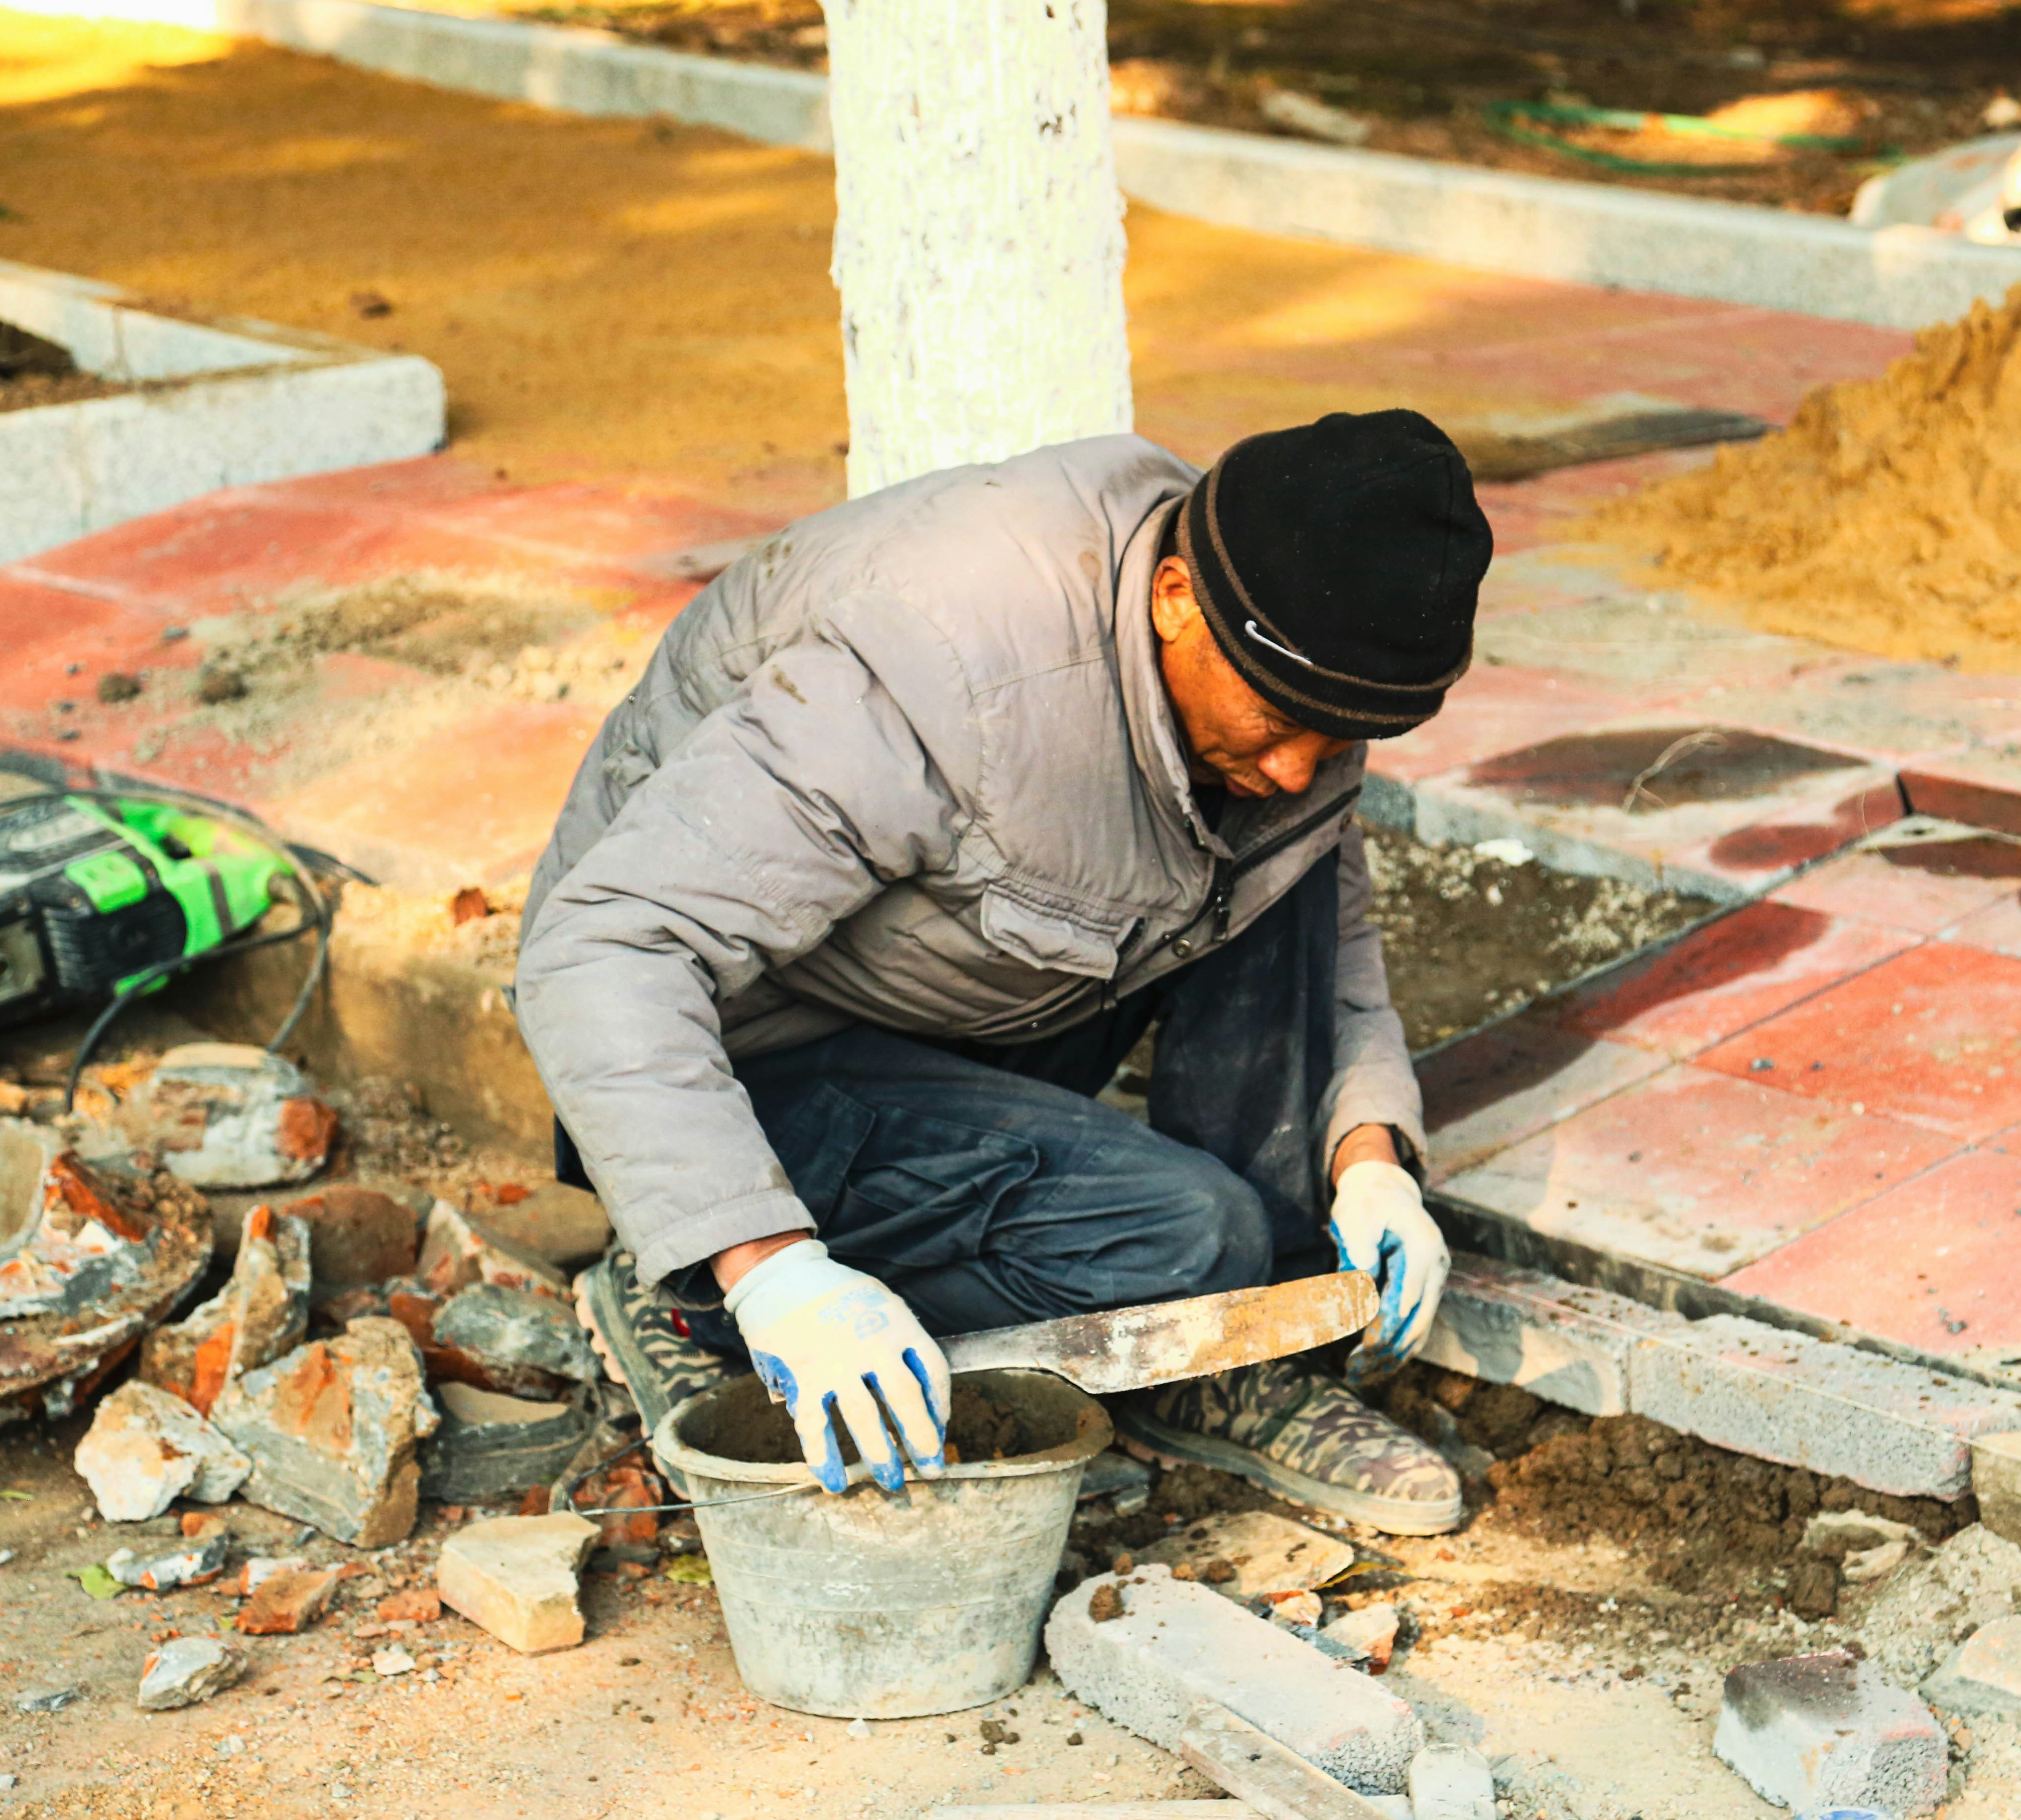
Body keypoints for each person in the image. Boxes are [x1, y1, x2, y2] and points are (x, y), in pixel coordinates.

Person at [515, 410, 1493, 1536]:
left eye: (1340, 737)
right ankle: (685, 1297)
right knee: (1185, 1235)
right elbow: (606, 949)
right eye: (1281, 721)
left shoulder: (1281, 630)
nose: (1295, 766)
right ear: (1175, 596)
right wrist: (769, 1267)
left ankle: (1239, 1344)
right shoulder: (940, 670)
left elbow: (1325, 926)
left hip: (967, 974)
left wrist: (1369, 1158)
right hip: (742, 1046)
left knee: (1281, 856)